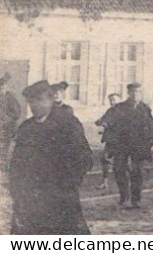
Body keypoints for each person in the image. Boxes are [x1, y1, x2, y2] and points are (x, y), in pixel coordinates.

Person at [8, 79, 93, 234]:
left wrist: (66, 185)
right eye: (31, 102)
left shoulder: (68, 124)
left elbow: (85, 158)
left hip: (59, 199)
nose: (35, 106)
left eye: (40, 100)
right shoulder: (26, 128)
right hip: (29, 199)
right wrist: (17, 191)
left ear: (51, 100)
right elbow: (16, 163)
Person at [105, 82, 153, 209]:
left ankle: (136, 199)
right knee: (119, 170)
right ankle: (124, 196)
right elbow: (111, 127)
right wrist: (111, 145)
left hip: (138, 145)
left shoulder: (145, 109)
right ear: (128, 93)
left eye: (138, 92)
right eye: (133, 92)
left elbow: (152, 128)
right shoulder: (120, 108)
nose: (136, 95)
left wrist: (148, 144)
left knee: (137, 172)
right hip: (122, 144)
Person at [95, 93, 122, 189]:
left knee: (121, 162)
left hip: (121, 140)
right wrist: (99, 121)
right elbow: (102, 119)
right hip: (110, 140)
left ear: (120, 100)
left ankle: (125, 182)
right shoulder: (110, 111)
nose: (112, 102)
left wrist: (107, 124)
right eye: (110, 100)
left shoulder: (123, 112)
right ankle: (104, 182)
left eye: (114, 99)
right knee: (105, 159)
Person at [0, 73, 21, 172]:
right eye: (0, 86)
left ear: (6, 86)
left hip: (7, 129)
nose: (1, 88)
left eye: (3, 86)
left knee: (5, 152)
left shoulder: (10, 98)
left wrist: (7, 118)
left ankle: (4, 171)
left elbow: (17, 113)